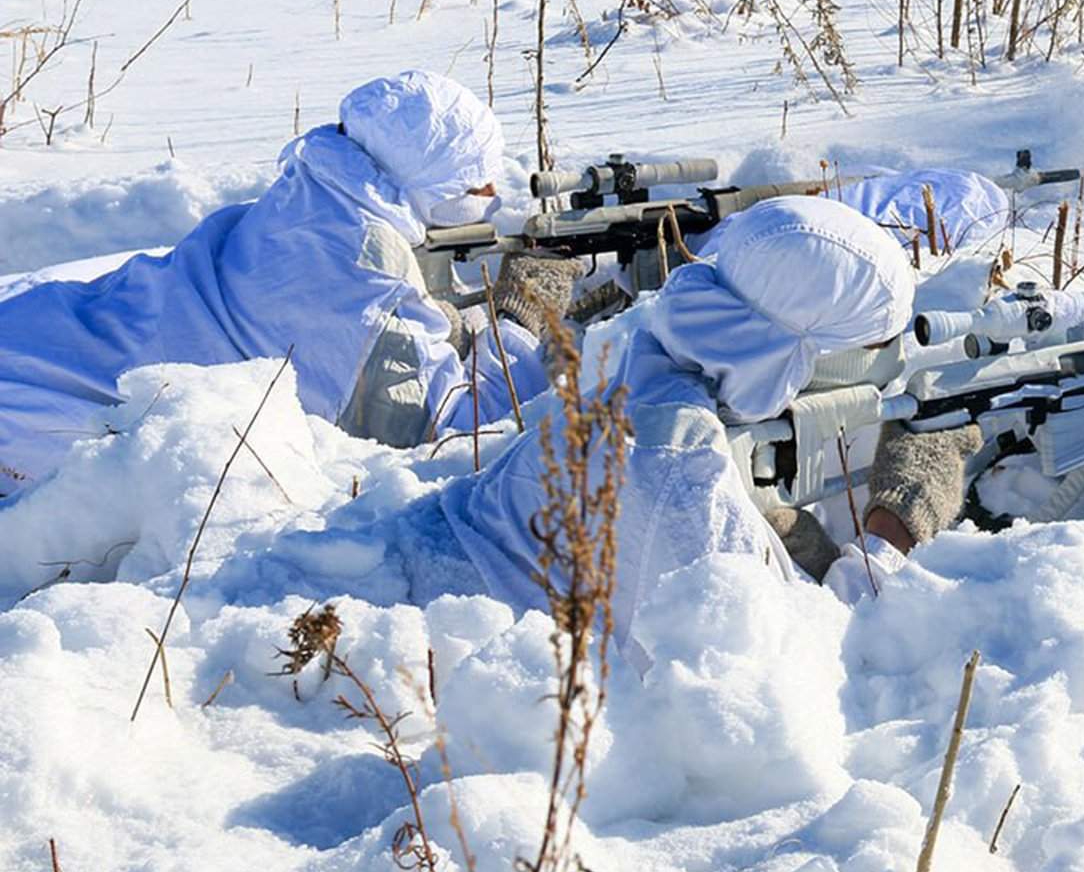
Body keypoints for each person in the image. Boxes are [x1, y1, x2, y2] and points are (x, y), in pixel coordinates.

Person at [439, 195, 980, 663]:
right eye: (874, 347)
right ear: (797, 351)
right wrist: (896, 528)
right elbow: (802, 669)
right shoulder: (683, 477)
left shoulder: (657, 366)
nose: (888, 360)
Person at [0, 71, 560, 497]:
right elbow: (456, 437)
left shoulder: (313, 195)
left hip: (40, 335)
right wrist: (522, 324)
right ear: (429, 178)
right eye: (476, 181)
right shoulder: (365, 266)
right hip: (39, 415)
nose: (489, 195)